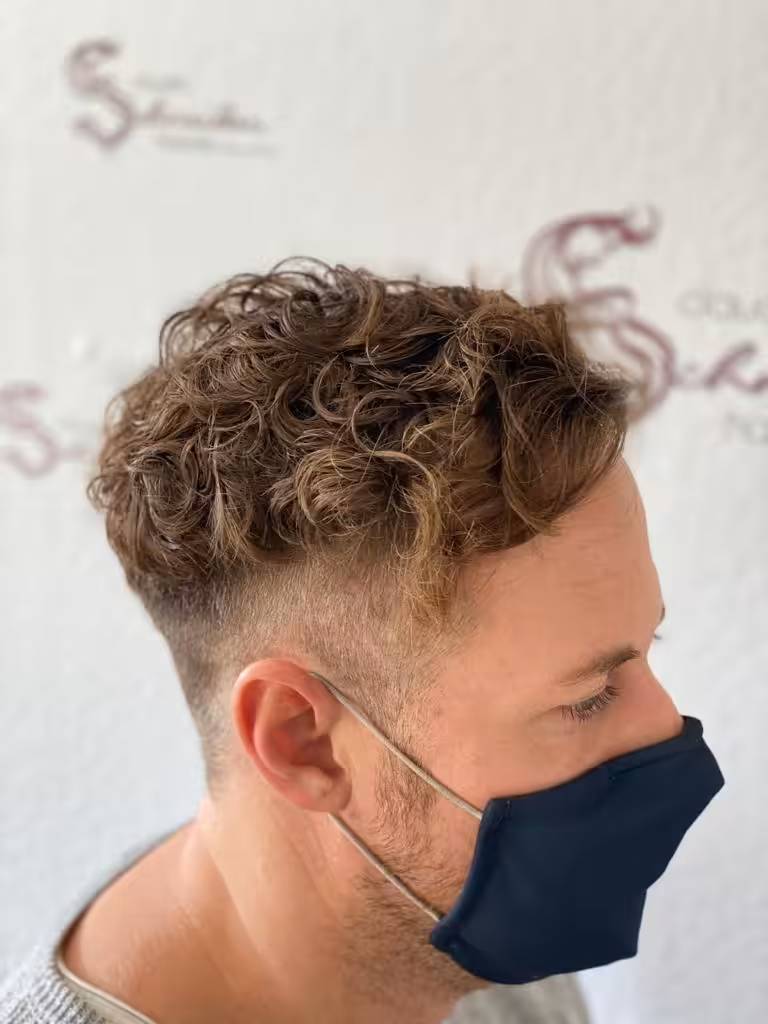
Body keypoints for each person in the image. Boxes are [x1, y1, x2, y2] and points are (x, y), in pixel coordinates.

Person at [0, 260, 724, 1024]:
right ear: (303, 742)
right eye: (588, 698)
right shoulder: (465, 895)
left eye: (647, 645)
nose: (666, 726)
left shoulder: (469, 939)